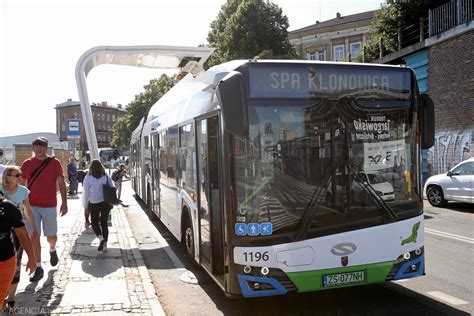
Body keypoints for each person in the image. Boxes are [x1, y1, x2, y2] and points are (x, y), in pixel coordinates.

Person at [20, 137, 68, 282]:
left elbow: (61, 183)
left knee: (51, 236)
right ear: (33, 148)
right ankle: (39, 267)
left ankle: (52, 249)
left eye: (42, 146)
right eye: (36, 146)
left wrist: (64, 203)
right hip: (31, 206)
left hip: (50, 205)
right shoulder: (27, 164)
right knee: (34, 236)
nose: (39, 149)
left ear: (46, 148)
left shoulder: (54, 163)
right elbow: (22, 184)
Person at [0, 166, 39, 312]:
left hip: (17, 231)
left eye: (20, 175)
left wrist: (34, 228)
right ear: (8, 176)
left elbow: (27, 210)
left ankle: (10, 299)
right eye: (17, 175)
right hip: (5, 232)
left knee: (15, 265)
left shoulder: (23, 191)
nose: (20, 177)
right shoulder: (0, 189)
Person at [82, 159, 114, 252]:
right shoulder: (106, 177)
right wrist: (111, 203)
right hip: (105, 202)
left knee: (94, 222)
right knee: (104, 223)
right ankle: (105, 246)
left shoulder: (88, 178)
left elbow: (85, 193)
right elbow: (112, 189)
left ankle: (101, 239)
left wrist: (85, 206)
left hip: (94, 202)